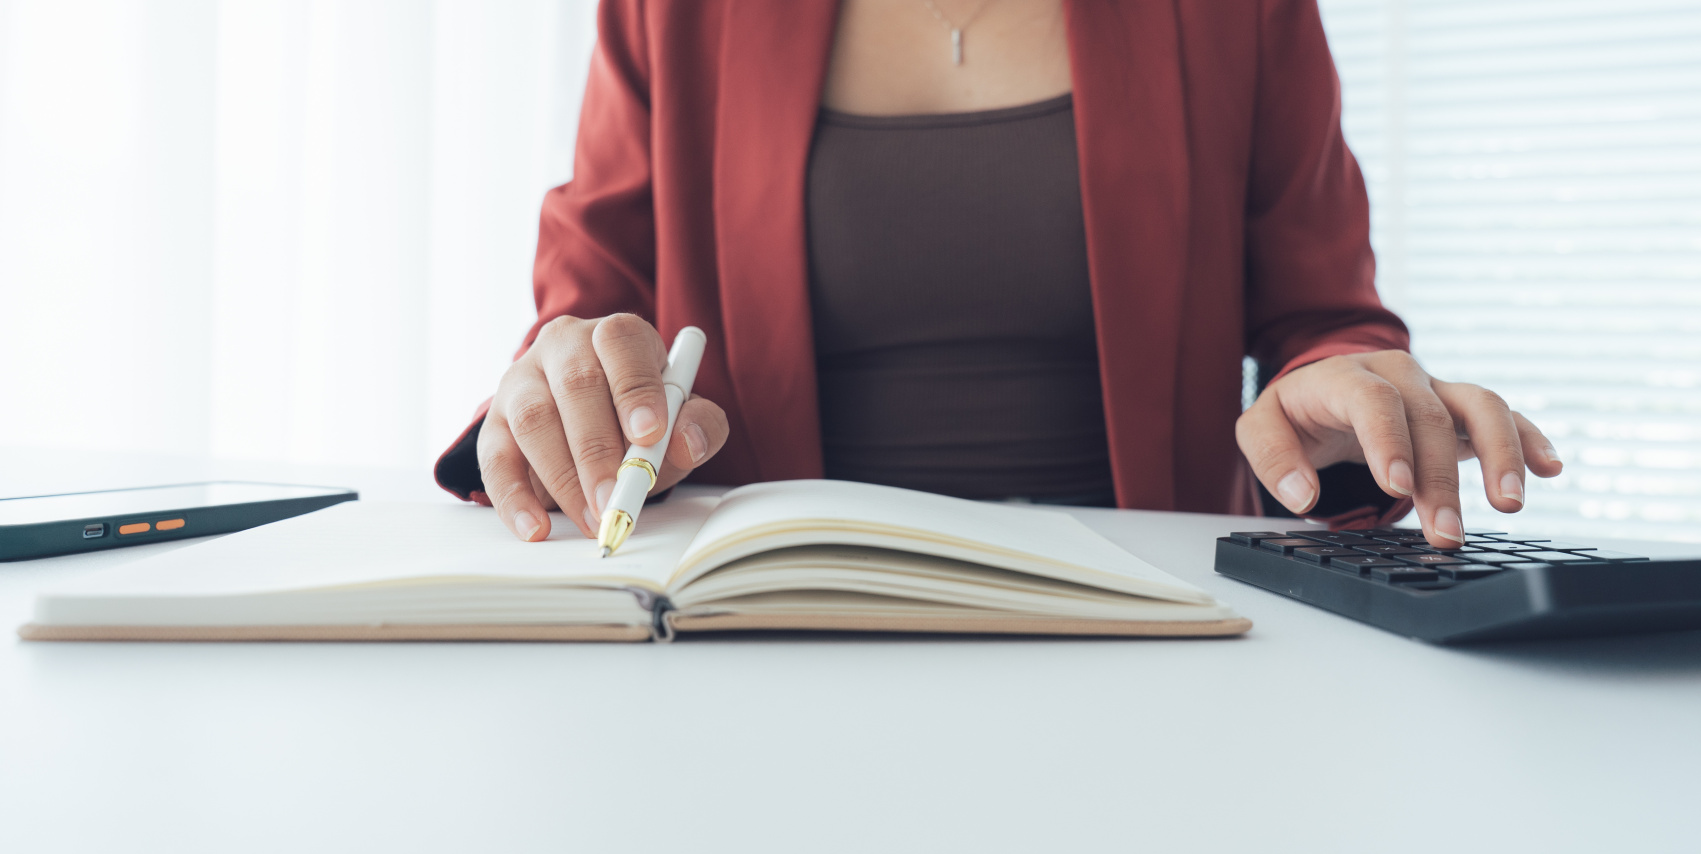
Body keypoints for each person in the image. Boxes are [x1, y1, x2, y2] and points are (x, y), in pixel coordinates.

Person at [432, 0, 1562, 550]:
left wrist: (1347, 389)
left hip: (1151, 632)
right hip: (775, 634)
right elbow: (583, 311)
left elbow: (1324, 314)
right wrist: (561, 388)